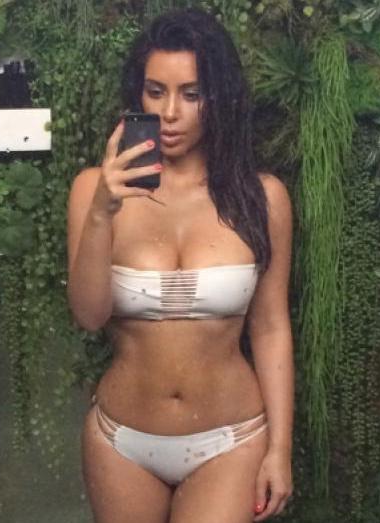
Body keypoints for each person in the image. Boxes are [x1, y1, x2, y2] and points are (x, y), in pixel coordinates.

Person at [65, 8, 294, 522]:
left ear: (220, 98)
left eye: (192, 94)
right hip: (121, 441)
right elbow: (89, 315)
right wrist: (101, 212)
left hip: (231, 440)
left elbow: (271, 328)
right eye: (156, 92)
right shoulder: (92, 190)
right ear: (138, 96)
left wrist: (280, 449)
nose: (170, 113)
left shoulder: (262, 198)